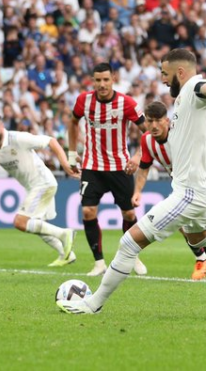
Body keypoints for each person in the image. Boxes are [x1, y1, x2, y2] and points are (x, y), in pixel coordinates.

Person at [57, 49, 206, 314]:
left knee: (128, 243)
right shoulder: (194, 103)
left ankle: (92, 305)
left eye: (164, 73)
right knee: (200, 239)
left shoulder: (194, 88)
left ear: (179, 73)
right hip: (201, 187)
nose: (162, 79)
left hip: (189, 192)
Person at [134, 100, 206, 280]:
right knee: (190, 228)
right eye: (150, 121)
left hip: (202, 182)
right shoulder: (147, 141)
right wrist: (137, 192)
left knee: (187, 226)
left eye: (158, 121)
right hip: (183, 187)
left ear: (167, 120)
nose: (154, 125)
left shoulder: (182, 133)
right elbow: (143, 168)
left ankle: (205, 259)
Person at [68, 62, 149, 276]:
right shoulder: (83, 101)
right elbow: (73, 122)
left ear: (113, 78)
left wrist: (138, 156)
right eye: (98, 80)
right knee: (87, 211)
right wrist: (70, 152)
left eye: (106, 79)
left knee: (129, 213)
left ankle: (133, 257)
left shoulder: (127, 103)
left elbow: (148, 132)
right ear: (93, 80)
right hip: (91, 166)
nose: (102, 84)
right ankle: (99, 263)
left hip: (120, 167)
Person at [0, 113, 78, 267]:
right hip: (33, 186)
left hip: (43, 183)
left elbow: (50, 141)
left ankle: (65, 233)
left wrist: (65, 163)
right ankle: (66, 255)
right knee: (38, 226)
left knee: (20, 222)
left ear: (1, 126)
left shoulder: (17, 138)